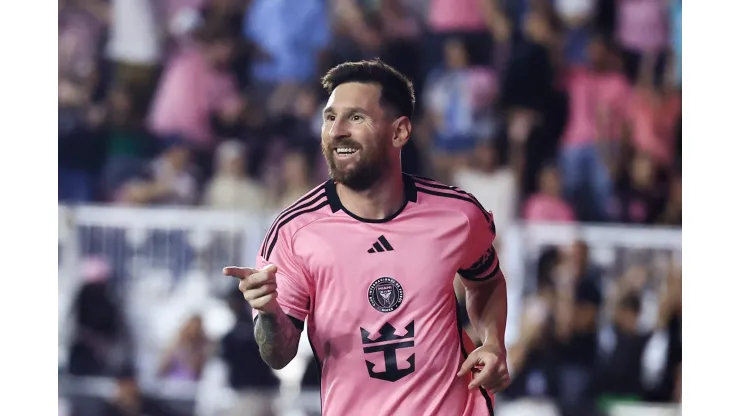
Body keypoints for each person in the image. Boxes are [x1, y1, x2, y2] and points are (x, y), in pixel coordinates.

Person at [224, 59, 509, 416]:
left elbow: (486, 282)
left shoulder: (458, 215)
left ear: (399, 132)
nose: (337, 130)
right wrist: (267, 312)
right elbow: (278, 355)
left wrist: (494, 342)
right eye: (330, 118)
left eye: (355, 117)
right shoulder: (294, 232)